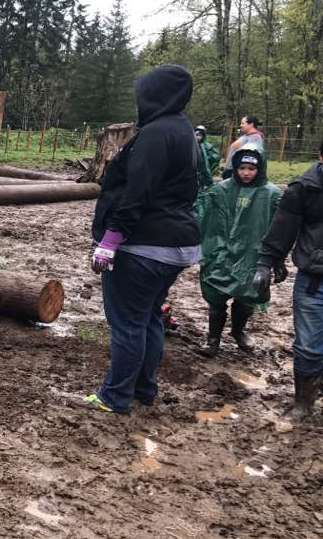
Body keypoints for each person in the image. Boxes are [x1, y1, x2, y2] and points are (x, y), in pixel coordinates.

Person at [83, 64, 201, 414]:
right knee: (148, 317)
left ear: (156, 95)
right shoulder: (182, 130)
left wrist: (111, 239)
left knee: (127, 322)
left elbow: (137, 193)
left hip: (144, 246)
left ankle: (114, 396)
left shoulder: (156, 134)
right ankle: (143, 389)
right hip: (176, 245)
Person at [253, 139, 323, 421]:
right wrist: (267, 263)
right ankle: (303, 403)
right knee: (308, 344)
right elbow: (283, 227)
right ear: (320, 156)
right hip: (314, 278)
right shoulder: (303, 189)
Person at [195, 145, 281, 357]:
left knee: (246, 298)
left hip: (252, 257)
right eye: (242, 167)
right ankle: (213, 339)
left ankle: (237, 330)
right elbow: (201, 215)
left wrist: (276, 261)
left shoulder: (271, 195)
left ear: (260, 169)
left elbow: (281, 230)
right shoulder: (220, 190)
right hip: (220, 253)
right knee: (216, 298)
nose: (246, 173)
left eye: (251, 169)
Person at [195, 125, 221, 191]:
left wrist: (207, 159)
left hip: (202, 172)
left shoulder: (206, 145)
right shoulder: (191, 144)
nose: (198, 137)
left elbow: (216, 156)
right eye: (196, 134)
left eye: (200, 135)